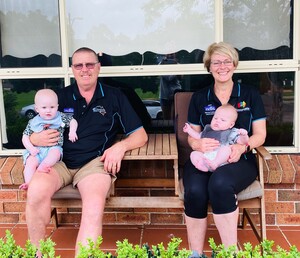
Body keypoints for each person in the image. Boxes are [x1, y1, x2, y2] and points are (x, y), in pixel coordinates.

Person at [25, 47, 148, 257]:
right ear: (72, 69)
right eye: (78, 65)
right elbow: (32, 128)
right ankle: (37, 253)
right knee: (35, 191)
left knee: (93, 205)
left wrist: (120, 146)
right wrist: (34, 139)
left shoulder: (114, 96)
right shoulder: (60, 96)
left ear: (98, 67)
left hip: (95, 163)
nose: (85, 69)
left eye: (90, 64)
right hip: (58, 161)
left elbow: (141, 135)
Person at [183, 42, 266, 258]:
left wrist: (242, 146)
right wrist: (197, 144)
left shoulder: (249, 94)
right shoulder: (200, 97)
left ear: (235, 65)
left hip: (238, 159)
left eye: (227, 61)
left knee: (220, 184)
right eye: (216, 62)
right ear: (209, 67)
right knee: (194, 191)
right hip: (205, 156)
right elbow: (191, 135)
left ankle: (230, 253)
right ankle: (195, 254)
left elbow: (260, 134)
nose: (222, 66)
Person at [20, 89, 78, 190]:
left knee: (55, 153)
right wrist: (31, 148)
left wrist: (72, 132)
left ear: (57, 107)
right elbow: (25, 136)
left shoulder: (60, 117)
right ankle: (29, 183)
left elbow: (73, 121)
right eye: (44, 107)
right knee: (30, 163)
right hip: (36, 150)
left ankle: (43, 166)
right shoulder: (33, 121)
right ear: (37, 109)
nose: (48, 110)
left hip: (53, 147)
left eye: (52, 107)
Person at [183, 104, 249, 172]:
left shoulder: (231, 132)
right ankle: (203, 166)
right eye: (215, 118)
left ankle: (215, 163)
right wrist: (189, 130)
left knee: (226, 149)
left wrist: (244, 135)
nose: (217, 121)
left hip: (222, 160)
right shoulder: (208, 130)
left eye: (222, 120)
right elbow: (198, 136)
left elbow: (242, 142)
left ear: (231, 124)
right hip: (206, 157)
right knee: (193, 154)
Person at [159, 54, 182, 120]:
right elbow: (168, 78)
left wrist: (176, 66)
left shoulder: (178, 65)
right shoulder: (162, 64)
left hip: (175, 94)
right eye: (169, 54)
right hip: (164, 94)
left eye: (172, 54)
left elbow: (181, 78)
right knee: (166, 118)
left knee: (174, 117)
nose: (170, 56)